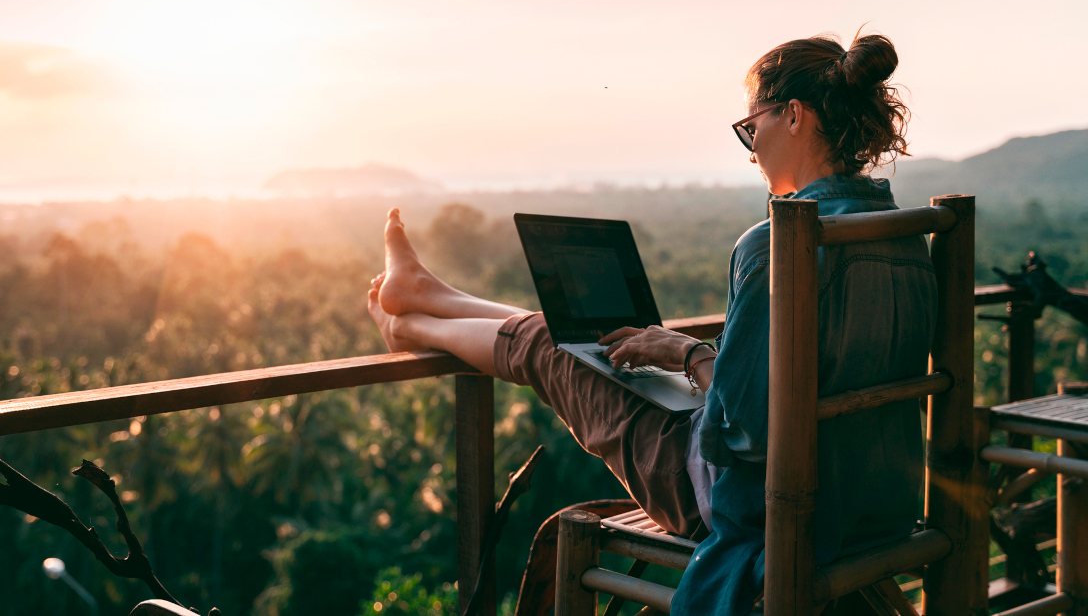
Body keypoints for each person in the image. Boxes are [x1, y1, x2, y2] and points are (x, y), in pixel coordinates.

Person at [367, 32, 935, 616]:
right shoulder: (901, 233)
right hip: (874, 502)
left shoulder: (780, 244)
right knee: (576, 336)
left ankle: (410, 327)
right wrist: (686, 357)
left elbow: (745, 432)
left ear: (793, 116)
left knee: (556, 345)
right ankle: (430, 296)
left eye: (751, 127)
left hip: (768, 508)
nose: (750, 148)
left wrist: (691, 358)